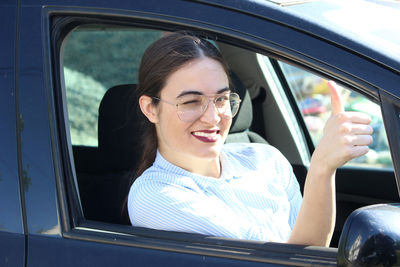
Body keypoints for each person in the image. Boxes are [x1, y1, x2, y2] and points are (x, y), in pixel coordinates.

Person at [127, 32, 373, 246]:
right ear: (150, 108)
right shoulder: (152, 195)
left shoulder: (266, 159)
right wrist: (322, 169)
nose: (213, 117)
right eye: (191, 102)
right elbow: (293, 259)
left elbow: (305, 245)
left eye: (222, 99)